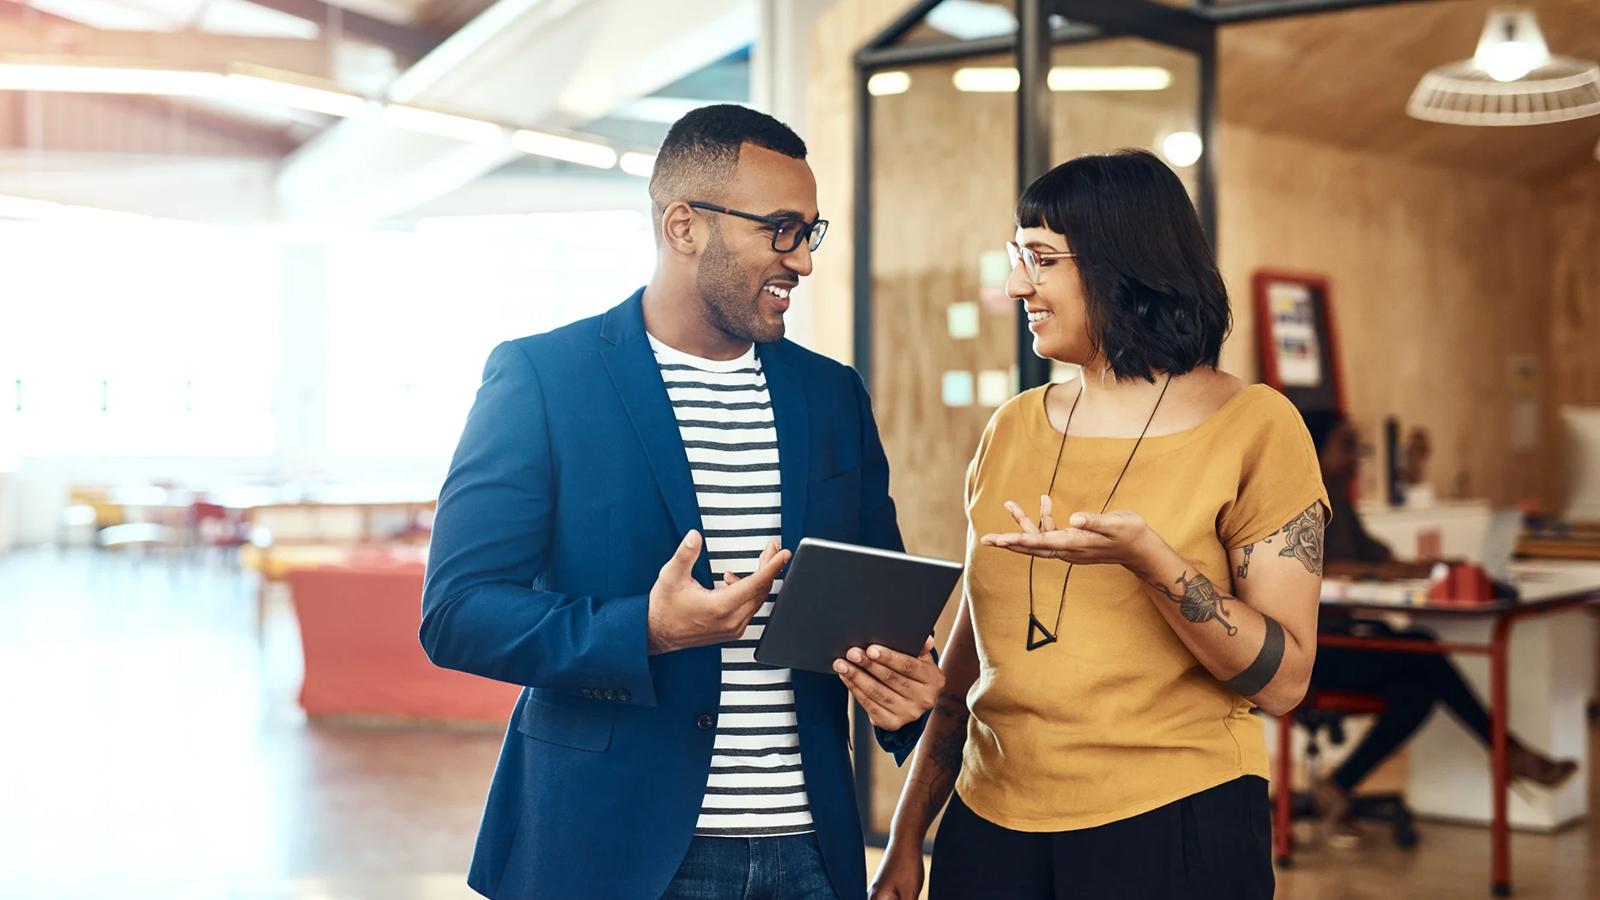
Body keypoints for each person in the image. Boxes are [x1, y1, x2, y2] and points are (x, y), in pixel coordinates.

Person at [421, 104, 943, 900]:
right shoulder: (543, 379)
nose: (800, 261)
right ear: (683, 226)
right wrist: (647, 631)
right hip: (613, 851)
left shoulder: (831, 396)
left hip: (808, 854)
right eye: (780, 229)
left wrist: (904, 696)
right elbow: (457, 612)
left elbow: (879, 607)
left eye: (810, 232)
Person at [870, 149, 1328, 900]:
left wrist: (1154, 563)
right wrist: (907, 835)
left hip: (1175, 823)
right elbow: (968, 665)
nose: (1019, 284)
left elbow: (1285, 682)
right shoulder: (1011, 427)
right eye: (1018, 258)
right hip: (991, 825)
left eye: (1042, 260)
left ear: (1121, 265)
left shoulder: (1255, 426)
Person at [1299, 409, 1578, 845]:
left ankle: (1336, 787)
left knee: (1418, 692)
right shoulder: (1302, 500)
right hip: (1315, 653)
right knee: (1423, 648)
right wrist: (1377, 575)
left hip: (1347, 638)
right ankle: (1508, 751)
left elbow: (1379, 559)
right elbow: (1316, 569)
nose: (1358, 456)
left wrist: (1427, 567)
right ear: (1314, 449)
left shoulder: (1341, 501)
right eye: (1346, 445)